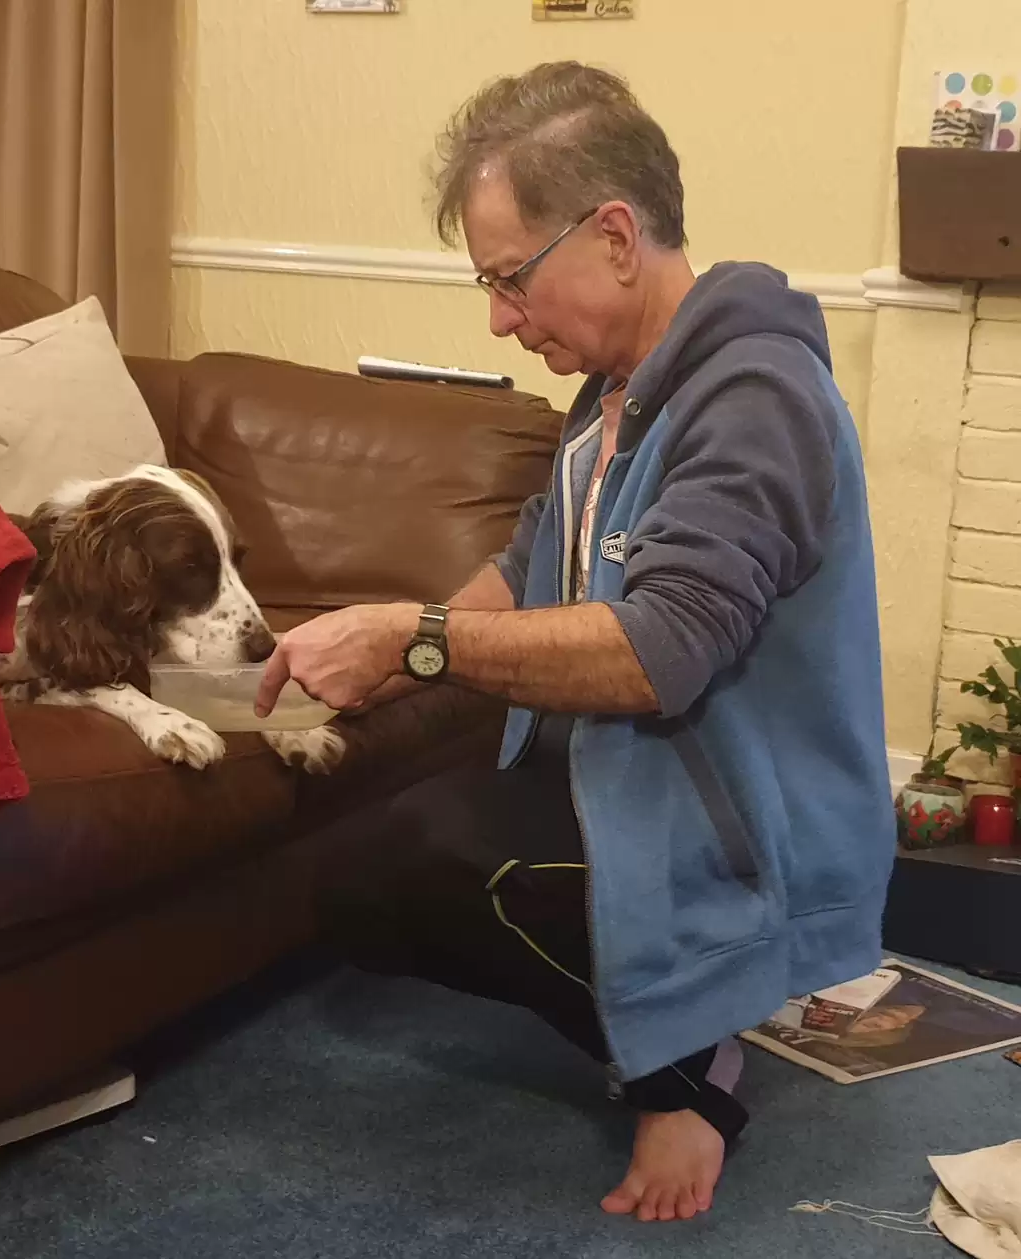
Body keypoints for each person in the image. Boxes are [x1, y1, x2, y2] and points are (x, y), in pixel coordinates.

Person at [254, 61, 896, 1222]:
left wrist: (418, 636)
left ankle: (690, 1068)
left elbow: (660, 649)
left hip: (749, 828)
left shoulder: (755, 394)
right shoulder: (613, 389)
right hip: (632, 782)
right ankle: (670, 1002)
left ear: (613, 235)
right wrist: (394, 655)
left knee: (426, 853)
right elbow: (527, 568)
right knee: (356, 879)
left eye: (510, 278)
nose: (500, 317)